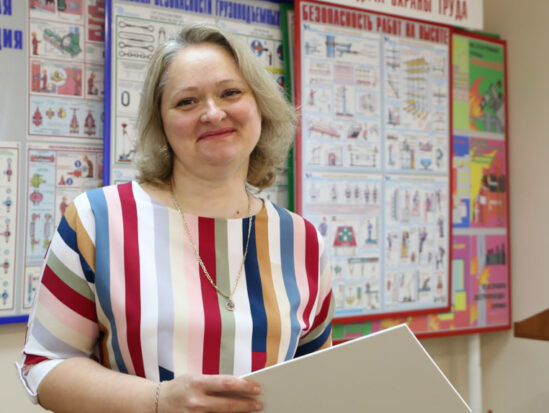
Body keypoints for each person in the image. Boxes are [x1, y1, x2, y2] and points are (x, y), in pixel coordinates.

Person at [17, 23, 333, 413]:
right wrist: (158, 400)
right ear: (162, 124)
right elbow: (45, 364)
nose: (213, 113)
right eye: (187, 101)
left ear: (261, 106)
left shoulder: (302, 240)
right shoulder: (97, 220)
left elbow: (317, 378)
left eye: (230, 93)